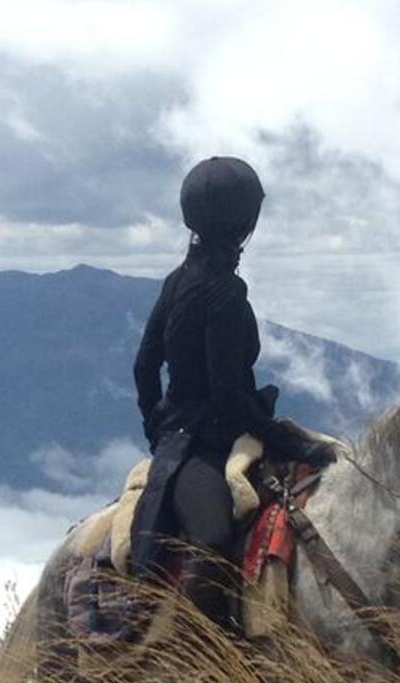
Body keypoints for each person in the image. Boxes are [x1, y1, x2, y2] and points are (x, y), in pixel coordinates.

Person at [129, 155, 338, 632]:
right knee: (213, 536)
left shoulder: (176, 282)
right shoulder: (224, 292)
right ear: (246, 222)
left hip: (182, 437)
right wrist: (288, 441)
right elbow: (228, 397)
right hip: (205, 443)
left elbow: (145, 368)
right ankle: (203, 663)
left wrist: (156, 430)